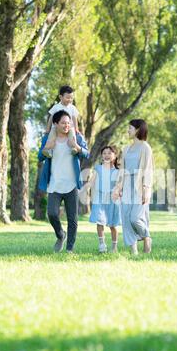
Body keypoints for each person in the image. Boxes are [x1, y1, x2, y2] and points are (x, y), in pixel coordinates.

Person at [38, 110, 89, 253]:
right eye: (63, 123)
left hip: (71, 184)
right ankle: (61, 235)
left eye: (68, 123)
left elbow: (87, 153)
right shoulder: (49, 139)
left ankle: (69, 249)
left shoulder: (76, 138)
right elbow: (40, 157)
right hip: (54, 184)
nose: (66, 125)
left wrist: (77, 147)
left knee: (73, 220)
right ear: (55, 123)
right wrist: (46, 148)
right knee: (52, 214)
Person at [112, 119, 154, 255]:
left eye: (130, 128)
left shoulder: (145, 148)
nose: (128, 130)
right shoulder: (126, 149)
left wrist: (146, 189)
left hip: (140, 186)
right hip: (126, 186)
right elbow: (122, 170)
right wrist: (118, 188)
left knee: (135, 218)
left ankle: (146, 236)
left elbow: (148, 170)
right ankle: (133, 250)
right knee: (126, 217)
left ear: (137, 130)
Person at [80, 146, 121, 253]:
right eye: (104, 153)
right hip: (99, 198)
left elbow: (119, 185)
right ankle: (102, 244)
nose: (106, 155)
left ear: (114, 156)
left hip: (112, 199)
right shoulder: (98, 168)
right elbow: (91, 181)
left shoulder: (118, 170)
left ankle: (114, 246)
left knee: (112, 225)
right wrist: (82, 190)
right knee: (100, 221)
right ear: (101, 156)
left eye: (109, 153)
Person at [42, 85, 81, 157]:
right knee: (51, 137)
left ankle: (73, 148)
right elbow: (51, 118)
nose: (69, 100)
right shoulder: (56, 107)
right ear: (60, 97)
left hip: (69, 127)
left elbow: (74, 118)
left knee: (72, 136)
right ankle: (48, 150)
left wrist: (76, 129)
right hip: (56, 128)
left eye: (71, 98)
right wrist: (48, 129)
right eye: (67, 97)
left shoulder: (72, 108)